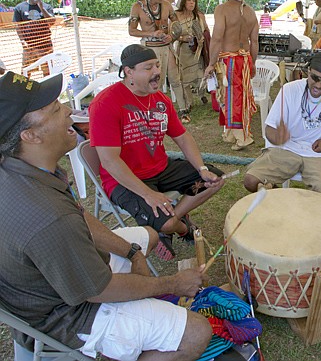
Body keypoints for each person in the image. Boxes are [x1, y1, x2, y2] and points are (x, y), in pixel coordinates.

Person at [0, 71, 211, 361]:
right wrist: (172, 284)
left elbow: (80, 217)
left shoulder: (23, 167)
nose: (68, 112)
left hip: (59, 280)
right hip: (63, 314)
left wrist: (133, 252)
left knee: (147, 236)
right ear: (30, 135)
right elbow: (99, 288)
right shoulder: (47, 216)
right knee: (197, 332)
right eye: (55, 110)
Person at [89, 44, 224, 259]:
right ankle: (180, 227)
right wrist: (147, 194)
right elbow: (109, 161)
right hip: (125, 181)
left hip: (161, 169)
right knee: (169, 222)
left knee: (215, 180)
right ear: (128, 71)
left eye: (157, 65)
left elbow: (183, 137)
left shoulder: (160, 100)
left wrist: (202, 168)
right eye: (148, 67)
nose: (157, 72)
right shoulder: (105, 103)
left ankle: (166, 227)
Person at [243, 51, 321, 197]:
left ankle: (303, 212)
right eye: (315, 78)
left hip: (320, 155)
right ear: (308, 71)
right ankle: (281, 200)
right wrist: (277, 138)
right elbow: (269, 128)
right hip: (287, 148)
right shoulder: (290, 90)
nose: (319, 85)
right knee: (251, 181)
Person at [204, 0, 258, 151]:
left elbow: (217, 38)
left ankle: (242, 137)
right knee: (235, 97)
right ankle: (230, 133)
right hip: (245, 59)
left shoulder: (222, 9)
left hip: (231, 61)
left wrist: (211, 63)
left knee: (234, 98)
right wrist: (253, 63)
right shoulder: (250, 12)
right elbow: (255, 42)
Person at [128, 0, 187, 119]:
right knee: (155, 80)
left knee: (175, 78)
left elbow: (177, 25)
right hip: (149, 50)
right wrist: (151, 33)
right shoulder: (137, 7)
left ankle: (183, 109)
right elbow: (132, 31)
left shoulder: (166, 6)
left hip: (166, 47)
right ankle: (156, 111)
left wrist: (172, 36)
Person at [174, 0, 210, 122]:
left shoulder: (199, 15)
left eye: (193, 1)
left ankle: (201, 94)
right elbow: (172, 34)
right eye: (189, 0)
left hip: (198, 50)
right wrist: (183, 38)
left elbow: (206, 30)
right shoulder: (176, 16)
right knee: (185, 79)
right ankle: (188, 102)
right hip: (184, 51)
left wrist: (202, 39)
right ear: (184, 1)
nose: (191, 3)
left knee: (200, 74)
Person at [13, 0, 54, 76]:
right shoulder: (19, 8)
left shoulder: (46, 7)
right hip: (30, 45)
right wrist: (22, 40)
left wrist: (41, 8)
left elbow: (52, 22)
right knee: (27, 70)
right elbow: (17, 26)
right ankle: (24, 89)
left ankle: (47, 89)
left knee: (47, 70)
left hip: (45, 45)